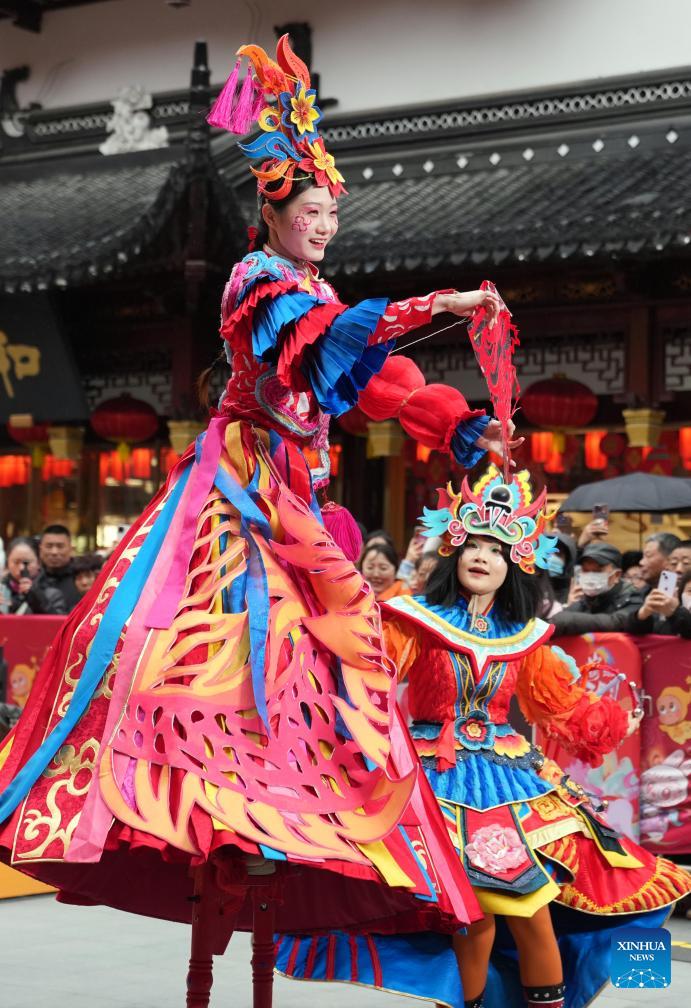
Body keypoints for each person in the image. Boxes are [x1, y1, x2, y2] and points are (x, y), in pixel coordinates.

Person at [0, 35, 521, 959]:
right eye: (311, 211)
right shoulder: (259, 281)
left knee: (324, 639)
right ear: (273, 213)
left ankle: (288, 804)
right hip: (242, 486)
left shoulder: (313, 283)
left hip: (296, 490)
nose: (324, 225)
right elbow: (325, 343)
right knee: (214, 635)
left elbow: (370, 379)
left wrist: (456, 425)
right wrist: (435, 304)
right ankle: (197, 799)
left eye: (332, 213)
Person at [278, 465, 691, 1007]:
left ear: (514, 564)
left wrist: (613, 720)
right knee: (472, 920)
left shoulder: (525, 637)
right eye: (472, 544)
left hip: (510, 779)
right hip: (434, 777)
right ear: (453, 552)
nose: (482, 556)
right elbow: (365, 668)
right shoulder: (414, 620)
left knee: (535, 913)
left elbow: (559, 704)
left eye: (496, 550)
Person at [549, 542, 645, 637]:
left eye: (598, 571)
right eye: (585, 570)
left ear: (616, 575)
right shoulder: (582, 602)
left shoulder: (632, 598)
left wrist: (570, 620)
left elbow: (620, 621)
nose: (590, 576)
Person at [0, 537, 66, 616]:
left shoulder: (52, 595)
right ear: (7, 563)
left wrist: (37, 598)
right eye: (16, 562)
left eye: (26, 562)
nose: (21, 568)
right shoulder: (2, 591)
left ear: (38, 563)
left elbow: (58, 622)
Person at [27, 523, 81, 614]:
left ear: (70, 548)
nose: (54, 552)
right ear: (41, 548)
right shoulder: (32, 579)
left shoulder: (81, 577)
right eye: (49, 546)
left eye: (60, 546)